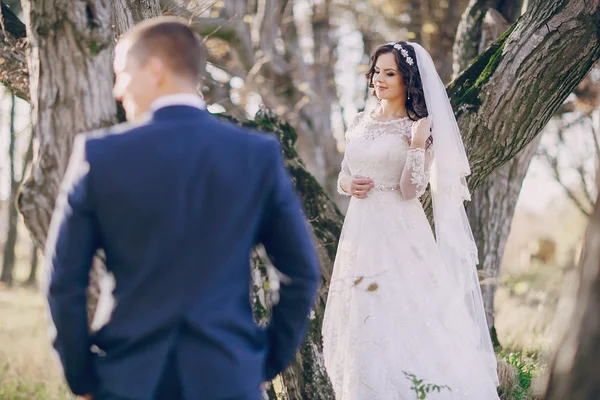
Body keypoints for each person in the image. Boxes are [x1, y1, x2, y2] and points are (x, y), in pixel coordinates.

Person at [43, 16, 320, 400]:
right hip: (227, 376)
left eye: (122, 73)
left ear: (155, 70)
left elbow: (63, 282)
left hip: (126, 379)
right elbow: (302, 273)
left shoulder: (98, 155)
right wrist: (261, 362)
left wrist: (83, 378)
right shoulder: (256, 154)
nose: (118, 89)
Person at [321, 42, 500, 399]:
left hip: (400, 229)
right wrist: (348, 184)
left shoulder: (418, 127)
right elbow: (344, 173)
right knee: (361, 313)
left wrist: (418, 144)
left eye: (390, 73)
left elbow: (410, 190)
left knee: (403, 312)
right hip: (360, 230)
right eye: (377, 72)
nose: (380, 80)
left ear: (408, 80)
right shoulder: (358, 121)